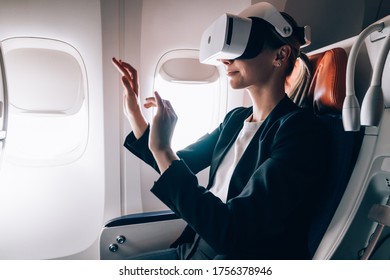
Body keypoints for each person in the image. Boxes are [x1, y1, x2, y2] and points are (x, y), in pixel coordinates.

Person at [112, 3, 329, 260]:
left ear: (280, 56)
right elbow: (177, 165)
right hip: (195, 246)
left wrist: (162, 149)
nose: (225, 60)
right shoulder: (235, 120)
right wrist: (134, 115)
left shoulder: (298, 131)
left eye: (242, 48)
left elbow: (233, 232)